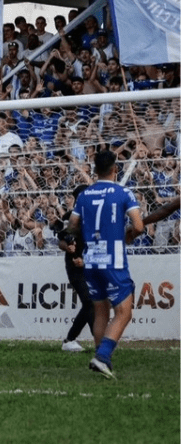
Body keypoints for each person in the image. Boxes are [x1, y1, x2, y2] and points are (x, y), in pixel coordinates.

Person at [67, 150, 144, 379]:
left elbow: (72, 225)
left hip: (91, 260)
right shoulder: (124, 193)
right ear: (115, 169)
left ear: (94, 169)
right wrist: (129, 233)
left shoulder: (84, 195)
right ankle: (103, 357)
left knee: (100, 310)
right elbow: (139, 226)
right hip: (113, 260)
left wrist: (74, 236)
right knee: (124, 312)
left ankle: (101, 359)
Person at [57, 184, 93, 352]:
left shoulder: (96, 217)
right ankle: (71, 339)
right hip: (75, 267)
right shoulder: (70, 217)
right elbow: (62, 241)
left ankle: (72, 340)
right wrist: (68, 248)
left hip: (92, 265)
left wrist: (87, 260)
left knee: (91, 304)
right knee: (89, 302)